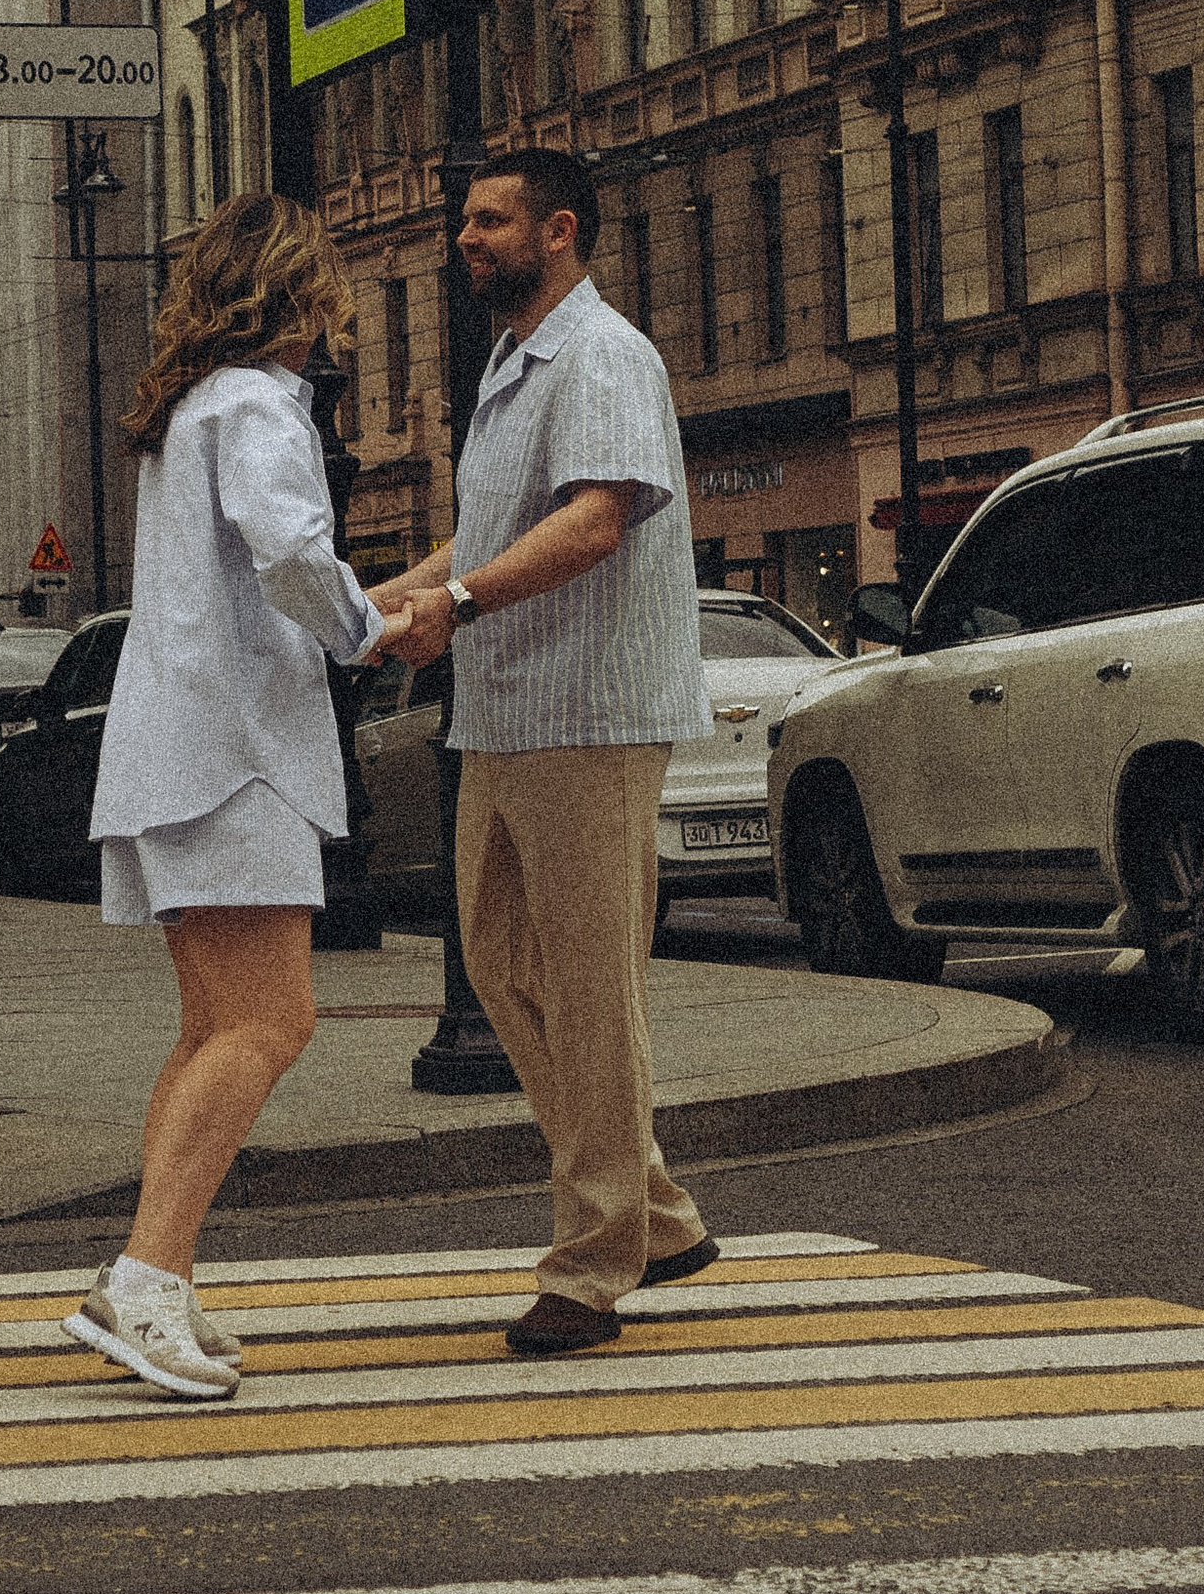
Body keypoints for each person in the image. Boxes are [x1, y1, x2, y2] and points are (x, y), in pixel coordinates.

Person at [68, 193, 405, 1401]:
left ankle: (147, 1277)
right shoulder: (259, 403)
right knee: (271, 1023)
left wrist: (353, 611)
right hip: (235, 753)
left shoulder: (189, 409)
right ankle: (149, 1275)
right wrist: (364, 631)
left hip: (176, 747)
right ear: (298, 294)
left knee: (215, 1029)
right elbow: (292, 552)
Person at [388, 150, 719, 1357]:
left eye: (490, 220)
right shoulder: (510, 363)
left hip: (588, 711)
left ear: (560, 231)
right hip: (506, 711)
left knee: (587, 987)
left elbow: (594, 520)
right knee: (499, 966)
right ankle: (657, 1213)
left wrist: (458, 603)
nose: (466, 238)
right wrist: (382, 601)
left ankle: (592, 1262)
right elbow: (487, 534)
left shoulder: (600, 355)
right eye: (465, 220)